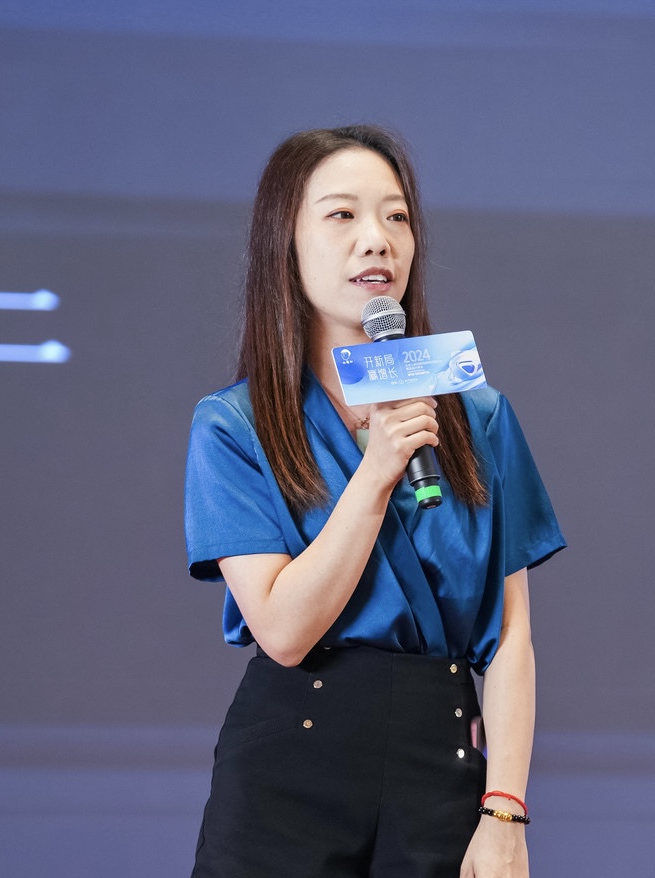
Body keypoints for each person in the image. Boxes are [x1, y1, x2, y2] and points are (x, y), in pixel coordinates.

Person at [183, 125, 565, 878]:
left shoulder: (478, 415)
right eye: (342, 215)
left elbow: (511, 635)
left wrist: (505, 813)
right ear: (284, 244)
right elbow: (283, 630)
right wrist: (377, 471)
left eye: (396, 217)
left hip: (439, 766)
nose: (376, 240)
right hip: (288, 770)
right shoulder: (234, 425)